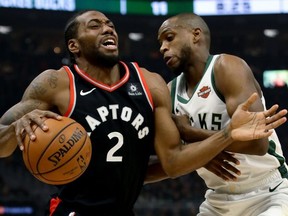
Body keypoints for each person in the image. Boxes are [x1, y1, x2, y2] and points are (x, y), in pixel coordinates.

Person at [0, 10, 286, 216]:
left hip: (262, 192)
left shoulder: (150, 83)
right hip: (73, 208)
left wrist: (202, 148)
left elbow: (172, 160)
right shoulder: (54, 83)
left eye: (110, 24)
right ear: (73, 45)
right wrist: (17, 127)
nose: (107, 29)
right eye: (95, 25)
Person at [158, 12, 288, 215]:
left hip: (268, 193)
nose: (162, 47)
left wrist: (191, 134)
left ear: (196, 35)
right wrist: (202, 151)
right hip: (218, 200)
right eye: (161, 43)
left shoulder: (227, 67)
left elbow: (257, 144)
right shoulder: (169, 91)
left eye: (169, 37)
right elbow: (172, 160)